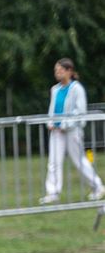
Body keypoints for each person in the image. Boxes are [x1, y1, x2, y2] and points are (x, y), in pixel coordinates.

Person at [42, 58, 105, 203]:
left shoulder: (77, 88)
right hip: (56, 132)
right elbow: (52, 109)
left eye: (60, 70)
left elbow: (80, 111)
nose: (57, 73)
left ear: (69, 71)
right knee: (53, 162)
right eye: (56, 71)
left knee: (79, 161)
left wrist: (65, 124)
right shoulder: (55, 89)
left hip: (72, 131)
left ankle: (97, 186)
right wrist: (50, 122)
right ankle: (53, 192)